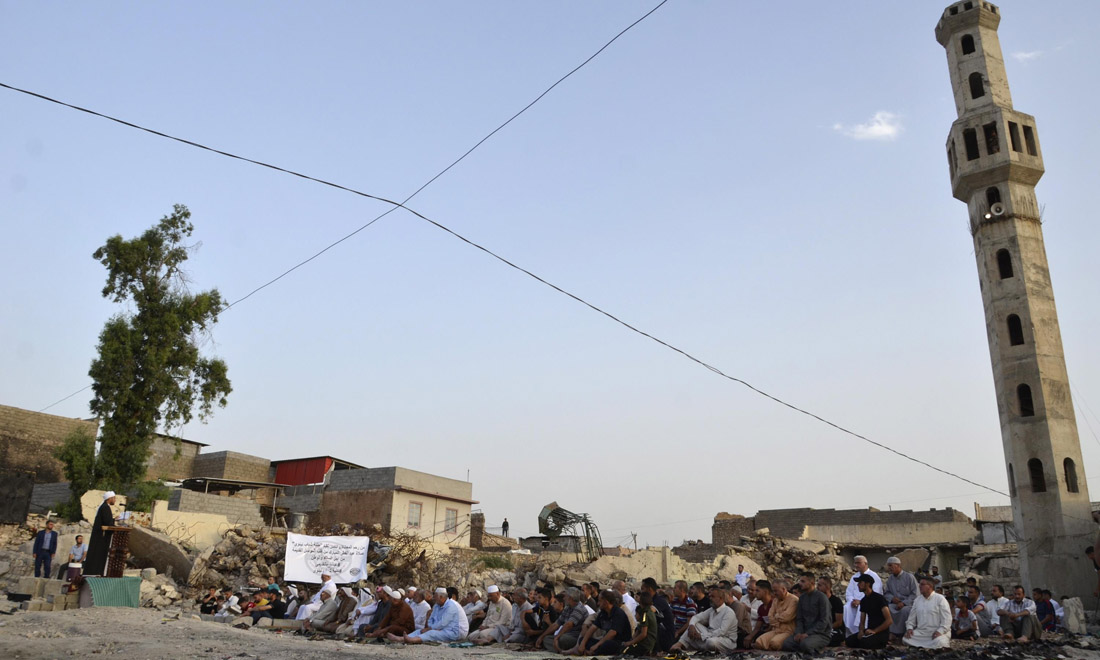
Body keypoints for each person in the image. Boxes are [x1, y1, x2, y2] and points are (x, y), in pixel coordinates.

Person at [671, 586, 739, 653]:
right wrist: (691, 626)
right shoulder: (712, 610)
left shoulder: (728, 612)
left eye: (713, 596)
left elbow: (722, 632)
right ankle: (679, 644)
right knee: (695, 625)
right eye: (709, 596)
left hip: (726, 640)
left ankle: (695, 647)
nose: (710, 599)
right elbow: (696, 617)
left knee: (711, 642)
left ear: (721, 598)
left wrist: (702, 636)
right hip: (710, 635)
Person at [392, 587, 468, 644]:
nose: (433, 598)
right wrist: (431, 627)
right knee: (421, 630)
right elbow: (431, 619)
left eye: (435, 596)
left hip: (457, 631)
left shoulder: (451, 606)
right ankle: (402, 638)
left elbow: (443, 623)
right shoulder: (437, 605)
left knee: (431, 633)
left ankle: (413, 640)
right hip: (445, 628)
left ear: (441, 597)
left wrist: (431, 629)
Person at [781, 573, 831, 653]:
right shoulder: (802, 598)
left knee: (805, 644)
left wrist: (808, 634)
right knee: (787, 644)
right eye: (800, 581)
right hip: (804, 633)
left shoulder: (822, 598)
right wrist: (798, 633)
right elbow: (799, 619)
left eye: (803, 581)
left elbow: (824, 621)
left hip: (820, 634)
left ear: (812, 583)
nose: (800, 584)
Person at [572, 590, 632, 656]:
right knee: (582, 639)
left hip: (619, 642)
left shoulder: (618, 613)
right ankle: (591, 652)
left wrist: (596, 645)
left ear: (606, 602)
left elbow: (612, 633)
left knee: (608, 644)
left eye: (600, 601)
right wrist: (583, 643)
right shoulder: (603, 612)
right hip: (605, 641)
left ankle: (591, 652)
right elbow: (593, 627)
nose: (598, 603)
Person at [903, 576, 951, 649]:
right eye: (919, 584)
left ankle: (927, 646)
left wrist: (940, 631)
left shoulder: (940, 599)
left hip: (937, 632)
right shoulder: (917, 600)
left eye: (922, 584)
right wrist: (909, 628)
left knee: (940, 642)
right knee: (905, 639)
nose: (919, 586)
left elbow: (947, 619)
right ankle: (929, 647)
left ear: (930, 586)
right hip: (922, 633)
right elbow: (911, 619)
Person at [846, 574, 891, 649]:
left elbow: (889, 620)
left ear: (867, 584)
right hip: (869, 631)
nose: (858, 585)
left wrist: (875, 631)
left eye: (860, 582)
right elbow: (862, 621)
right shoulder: (864, 601)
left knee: (865, 642)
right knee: (849, 641)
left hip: (881, 632)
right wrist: (861, 631)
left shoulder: (879, 599)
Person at [843, 555, 883, 635]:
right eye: (855, 563)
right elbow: (849, 592)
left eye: (858, 563)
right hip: (854, 602)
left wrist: (860, 601)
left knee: (862, 607)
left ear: (865, 563)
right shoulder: (855, 577)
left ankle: (861, 631)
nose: (856, 565)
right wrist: (852, 601)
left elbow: (875, 593)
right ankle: (850, 634)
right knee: (846, 608)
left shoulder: (874, 576)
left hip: (868, 602)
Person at [539, 587, 587, 653]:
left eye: (565, 596)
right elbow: (557, 623)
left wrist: (557, 637)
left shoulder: (579, 609)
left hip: (576, 636)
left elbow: (569, 625)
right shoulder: (568, 607)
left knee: (562, 639)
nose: (564, 598)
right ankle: (560, 649)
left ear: (570, 598)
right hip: (566, 634)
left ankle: (562, 650)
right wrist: (542, 636)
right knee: (546, 638)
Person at [755, 578, 797, 650]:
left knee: (774, 643)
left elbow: (786, 617)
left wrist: (776, 616)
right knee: (759, 642)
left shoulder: (794, 600)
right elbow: (770, 617)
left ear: (783, 589)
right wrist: (778, 618)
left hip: (788, 631)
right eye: (773, 591)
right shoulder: (775, 600)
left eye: (776, 591)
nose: (774, 593)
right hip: (776, 630)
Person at [882, 556, 917, 640]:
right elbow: (887, 593)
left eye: (890, 565)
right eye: (888, 566)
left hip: (908, 604)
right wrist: (892, 598)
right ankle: (892, 633)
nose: (889, 568)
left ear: (897, 565)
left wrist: (904, 603)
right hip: (895, 603)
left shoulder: (909, 577)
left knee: (905, 611)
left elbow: (915, 594)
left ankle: (903, 634)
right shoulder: (890, 579)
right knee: (887, 608)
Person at [84, 491, 118, 577]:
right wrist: (114, 524)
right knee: (98, 555)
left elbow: (107, 520)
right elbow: (107, 523)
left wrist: (113, 520)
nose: (115, 500)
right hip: (101, 536)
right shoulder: (105, 507)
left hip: (100, 536)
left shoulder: (104, 507)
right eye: (114, 498)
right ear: (109, 498)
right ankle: (97, 572)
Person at [641, 577, 675, 651]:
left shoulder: (659, 601)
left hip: (665, 636)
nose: (641, 592)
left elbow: (649, 612)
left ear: (649, 589)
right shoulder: (652, 600)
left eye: (643, 589)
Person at [624, 591, 658, 656]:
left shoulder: (645, 614)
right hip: (647, 643)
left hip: (645, 644)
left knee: (625, 651)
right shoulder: (649, 611)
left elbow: (643, 634)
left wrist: (631, 642)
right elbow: (639, 629)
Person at [818, 576, 845, 647]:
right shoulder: (818, 601)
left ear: (827, 587)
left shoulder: (836, 601)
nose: (817, 588)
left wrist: (826, 629)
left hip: (833, 629)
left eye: (820, 585)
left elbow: (839, 622)